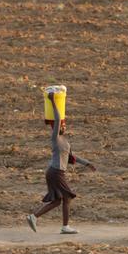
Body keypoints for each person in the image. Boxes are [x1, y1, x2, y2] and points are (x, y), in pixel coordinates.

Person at [26, 92, 96, 234]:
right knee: (68, 197)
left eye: (64, 124)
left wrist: (87, 164)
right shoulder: (55, 138)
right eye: (62, 124)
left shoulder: (65, 142)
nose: (63, 125)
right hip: (56, 172)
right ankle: (65, 227)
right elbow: (57, 118)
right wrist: (53, 101)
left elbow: (72, 157)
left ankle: (34, 216)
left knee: (58, 201)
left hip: (55, 172)